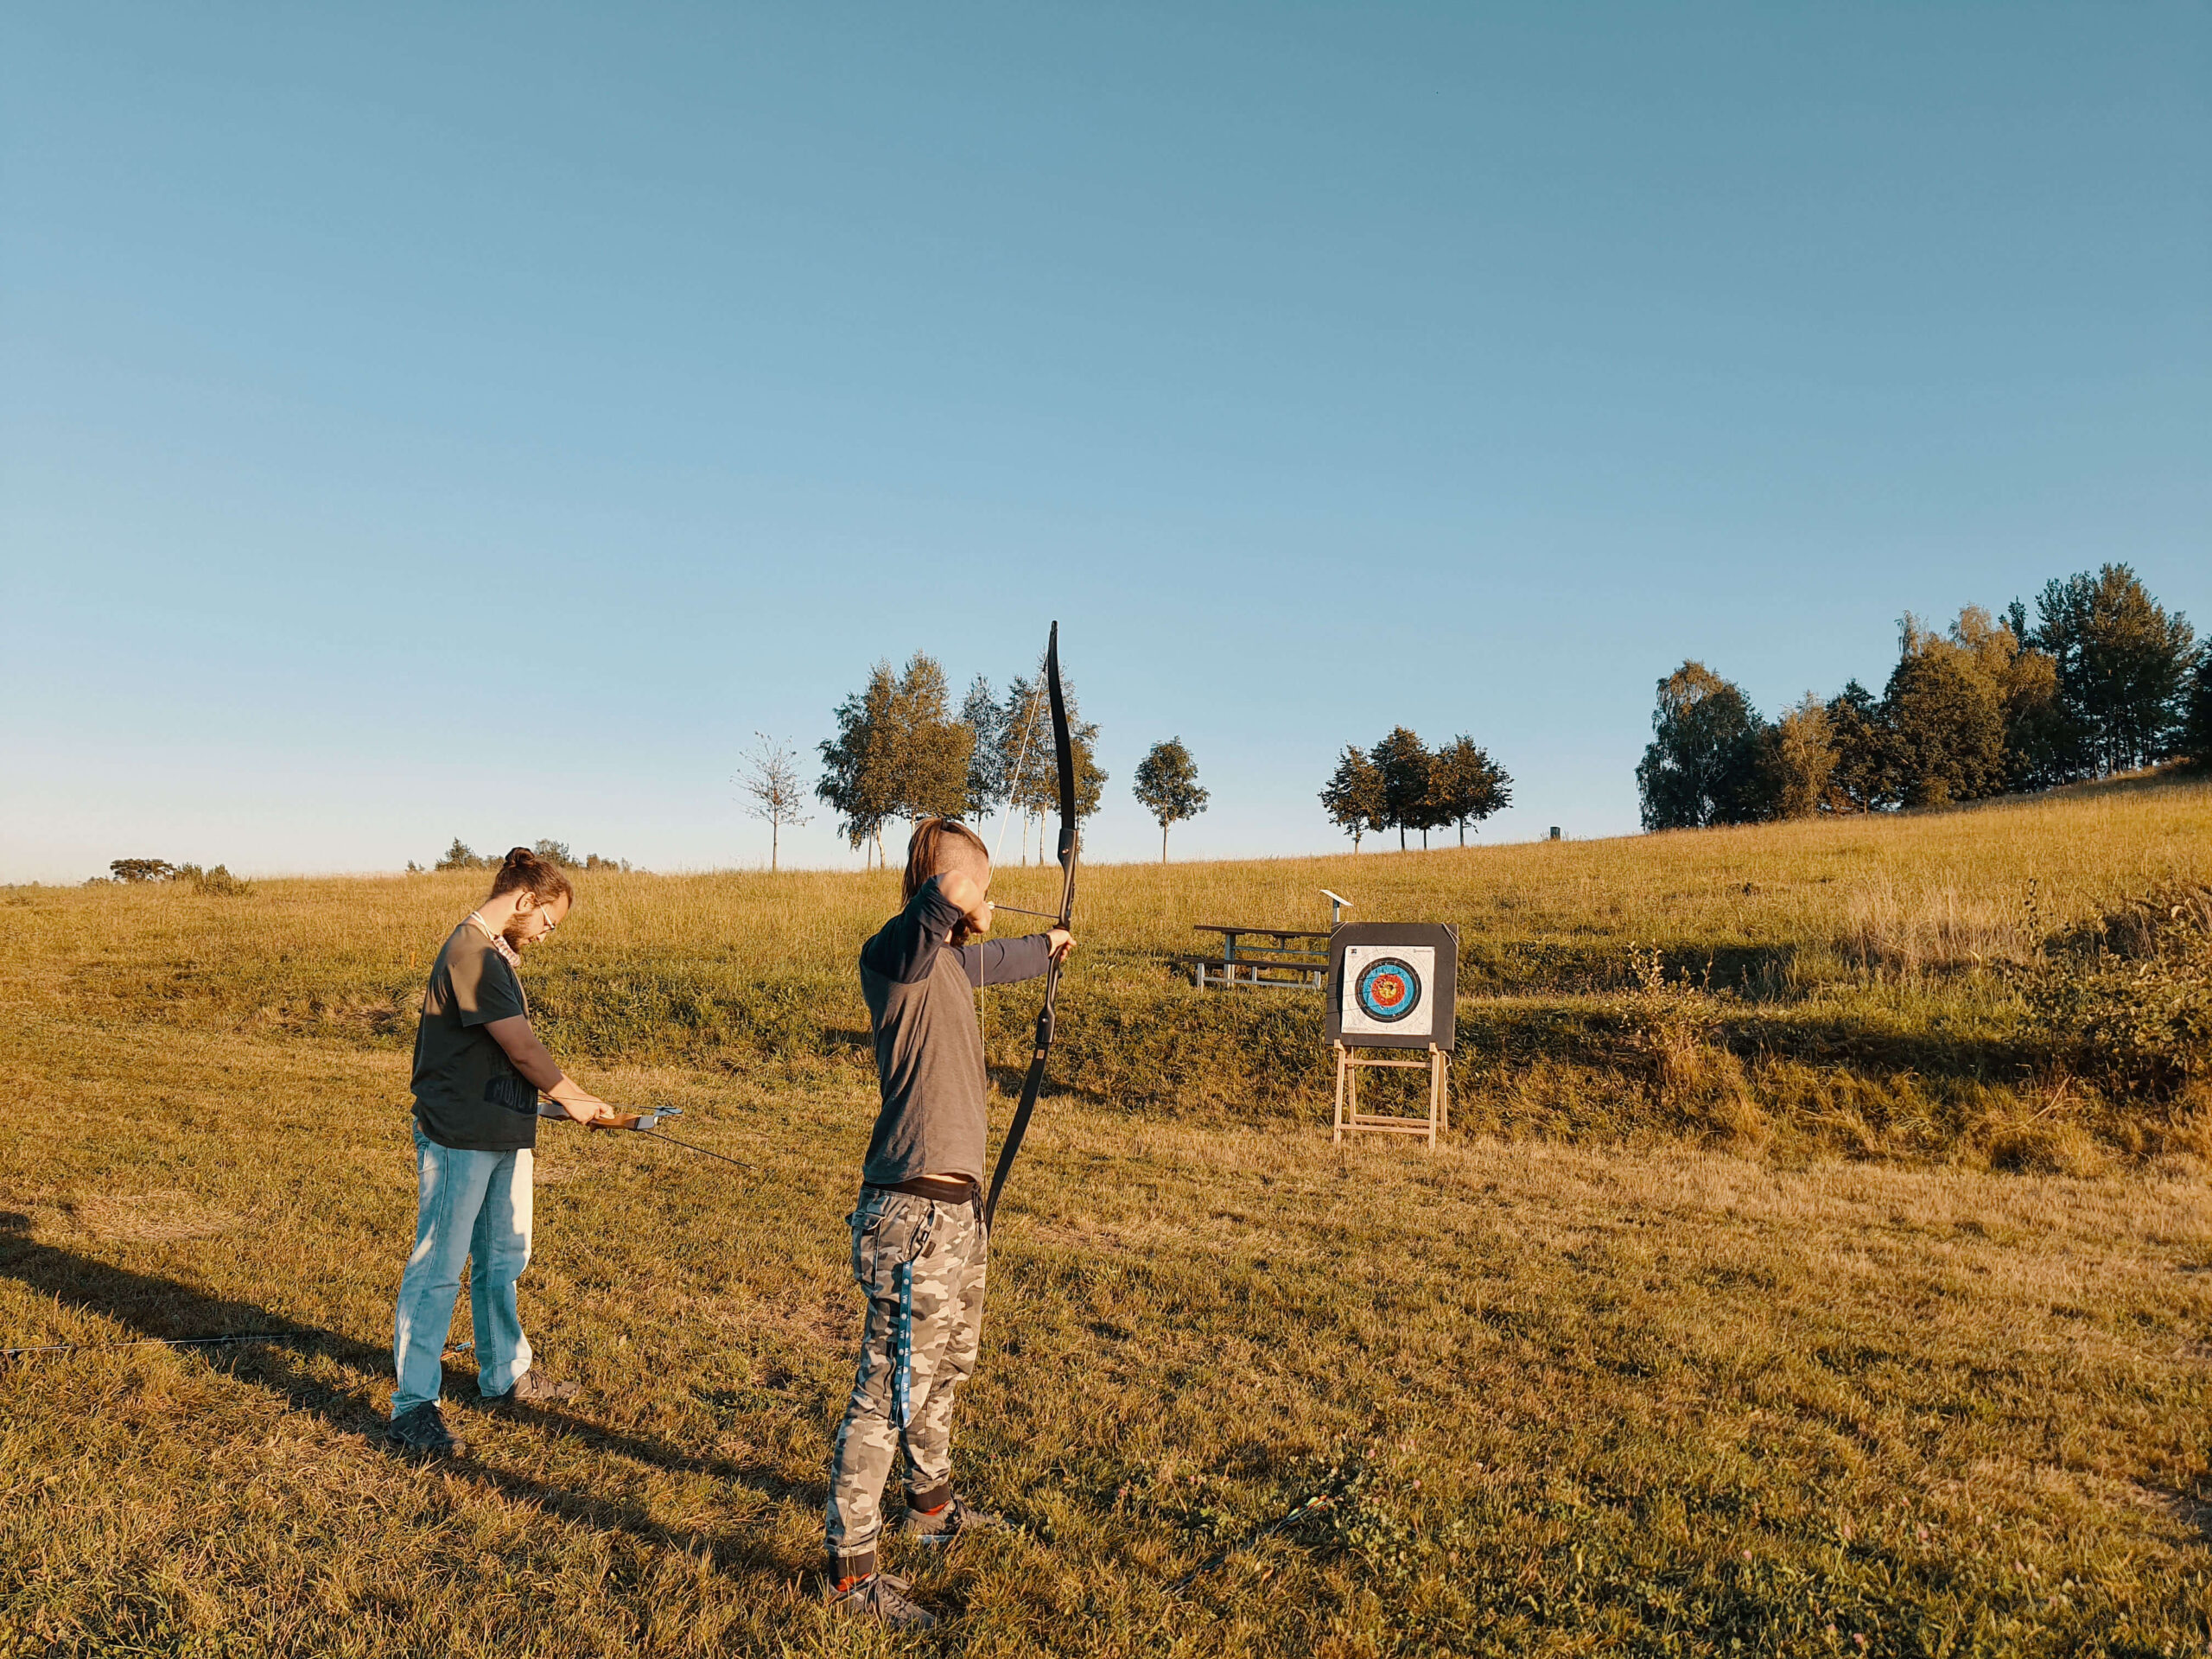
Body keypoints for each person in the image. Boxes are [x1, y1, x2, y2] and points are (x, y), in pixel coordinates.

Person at [825, 818, 1074, 1628]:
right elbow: (934, 911)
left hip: (958, 1217)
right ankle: (852, 1575)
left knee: (944, 1371)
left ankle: (930, 1511)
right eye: (982, 884)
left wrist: (1051, 941)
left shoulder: (956, 968)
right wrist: (960, 889)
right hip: (913, 1216)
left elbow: (1009, 955)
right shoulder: (893, 956)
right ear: (952, 887)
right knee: (886, 1395)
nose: (989, 902)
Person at [385, 846, 611, 1458]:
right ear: (526, 900)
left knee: (501, 1258)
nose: (546, 935)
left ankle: (504, 1374)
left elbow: (496, 1057)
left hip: (503, 1131)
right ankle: (413, 1406)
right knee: (439, 1269)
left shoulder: (494, 956)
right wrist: (575, 1097)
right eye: (548, 921)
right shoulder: (472, 953)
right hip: (459, 1137)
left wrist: (559, 1101)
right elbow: (521, 1049)